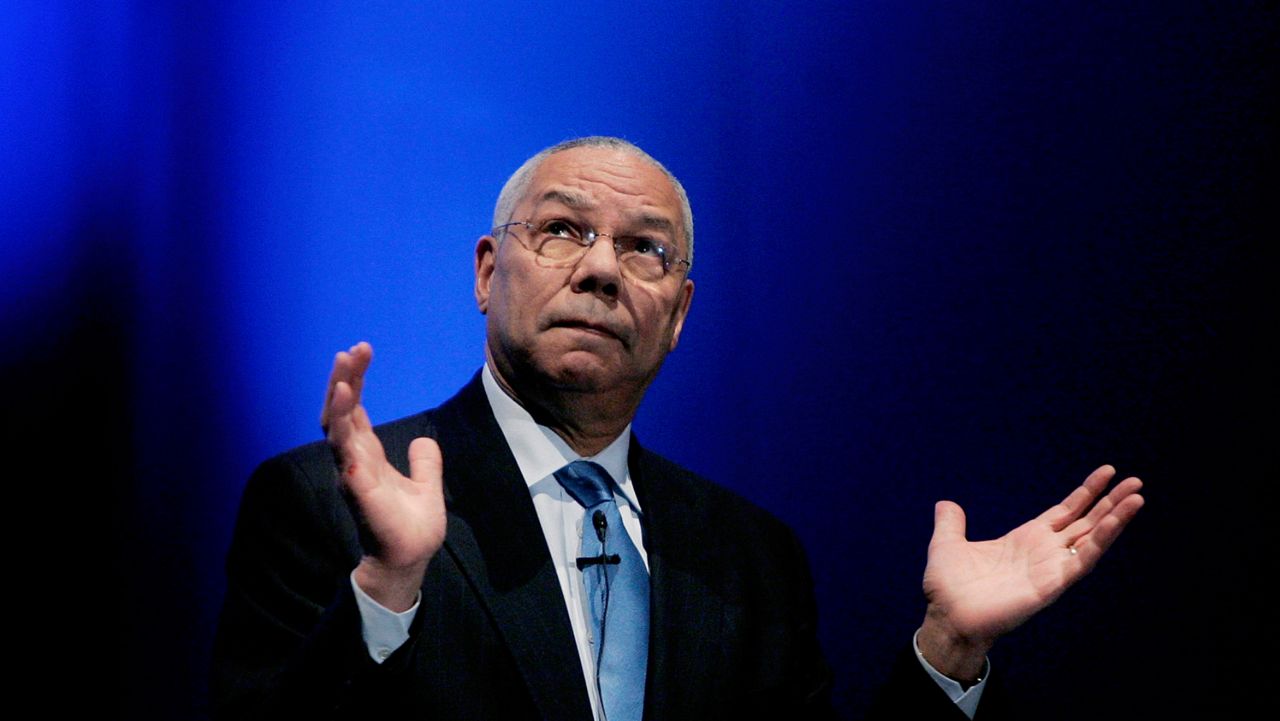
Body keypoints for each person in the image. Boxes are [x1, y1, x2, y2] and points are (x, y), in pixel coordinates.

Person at [212, 136, 1144, 720]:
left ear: (681, 310)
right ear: (488, 270)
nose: (602, 270)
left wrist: (948, 649)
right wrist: (387, 585)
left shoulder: (749, 555)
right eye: (564, 230)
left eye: (644, 248)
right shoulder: (325, 504)